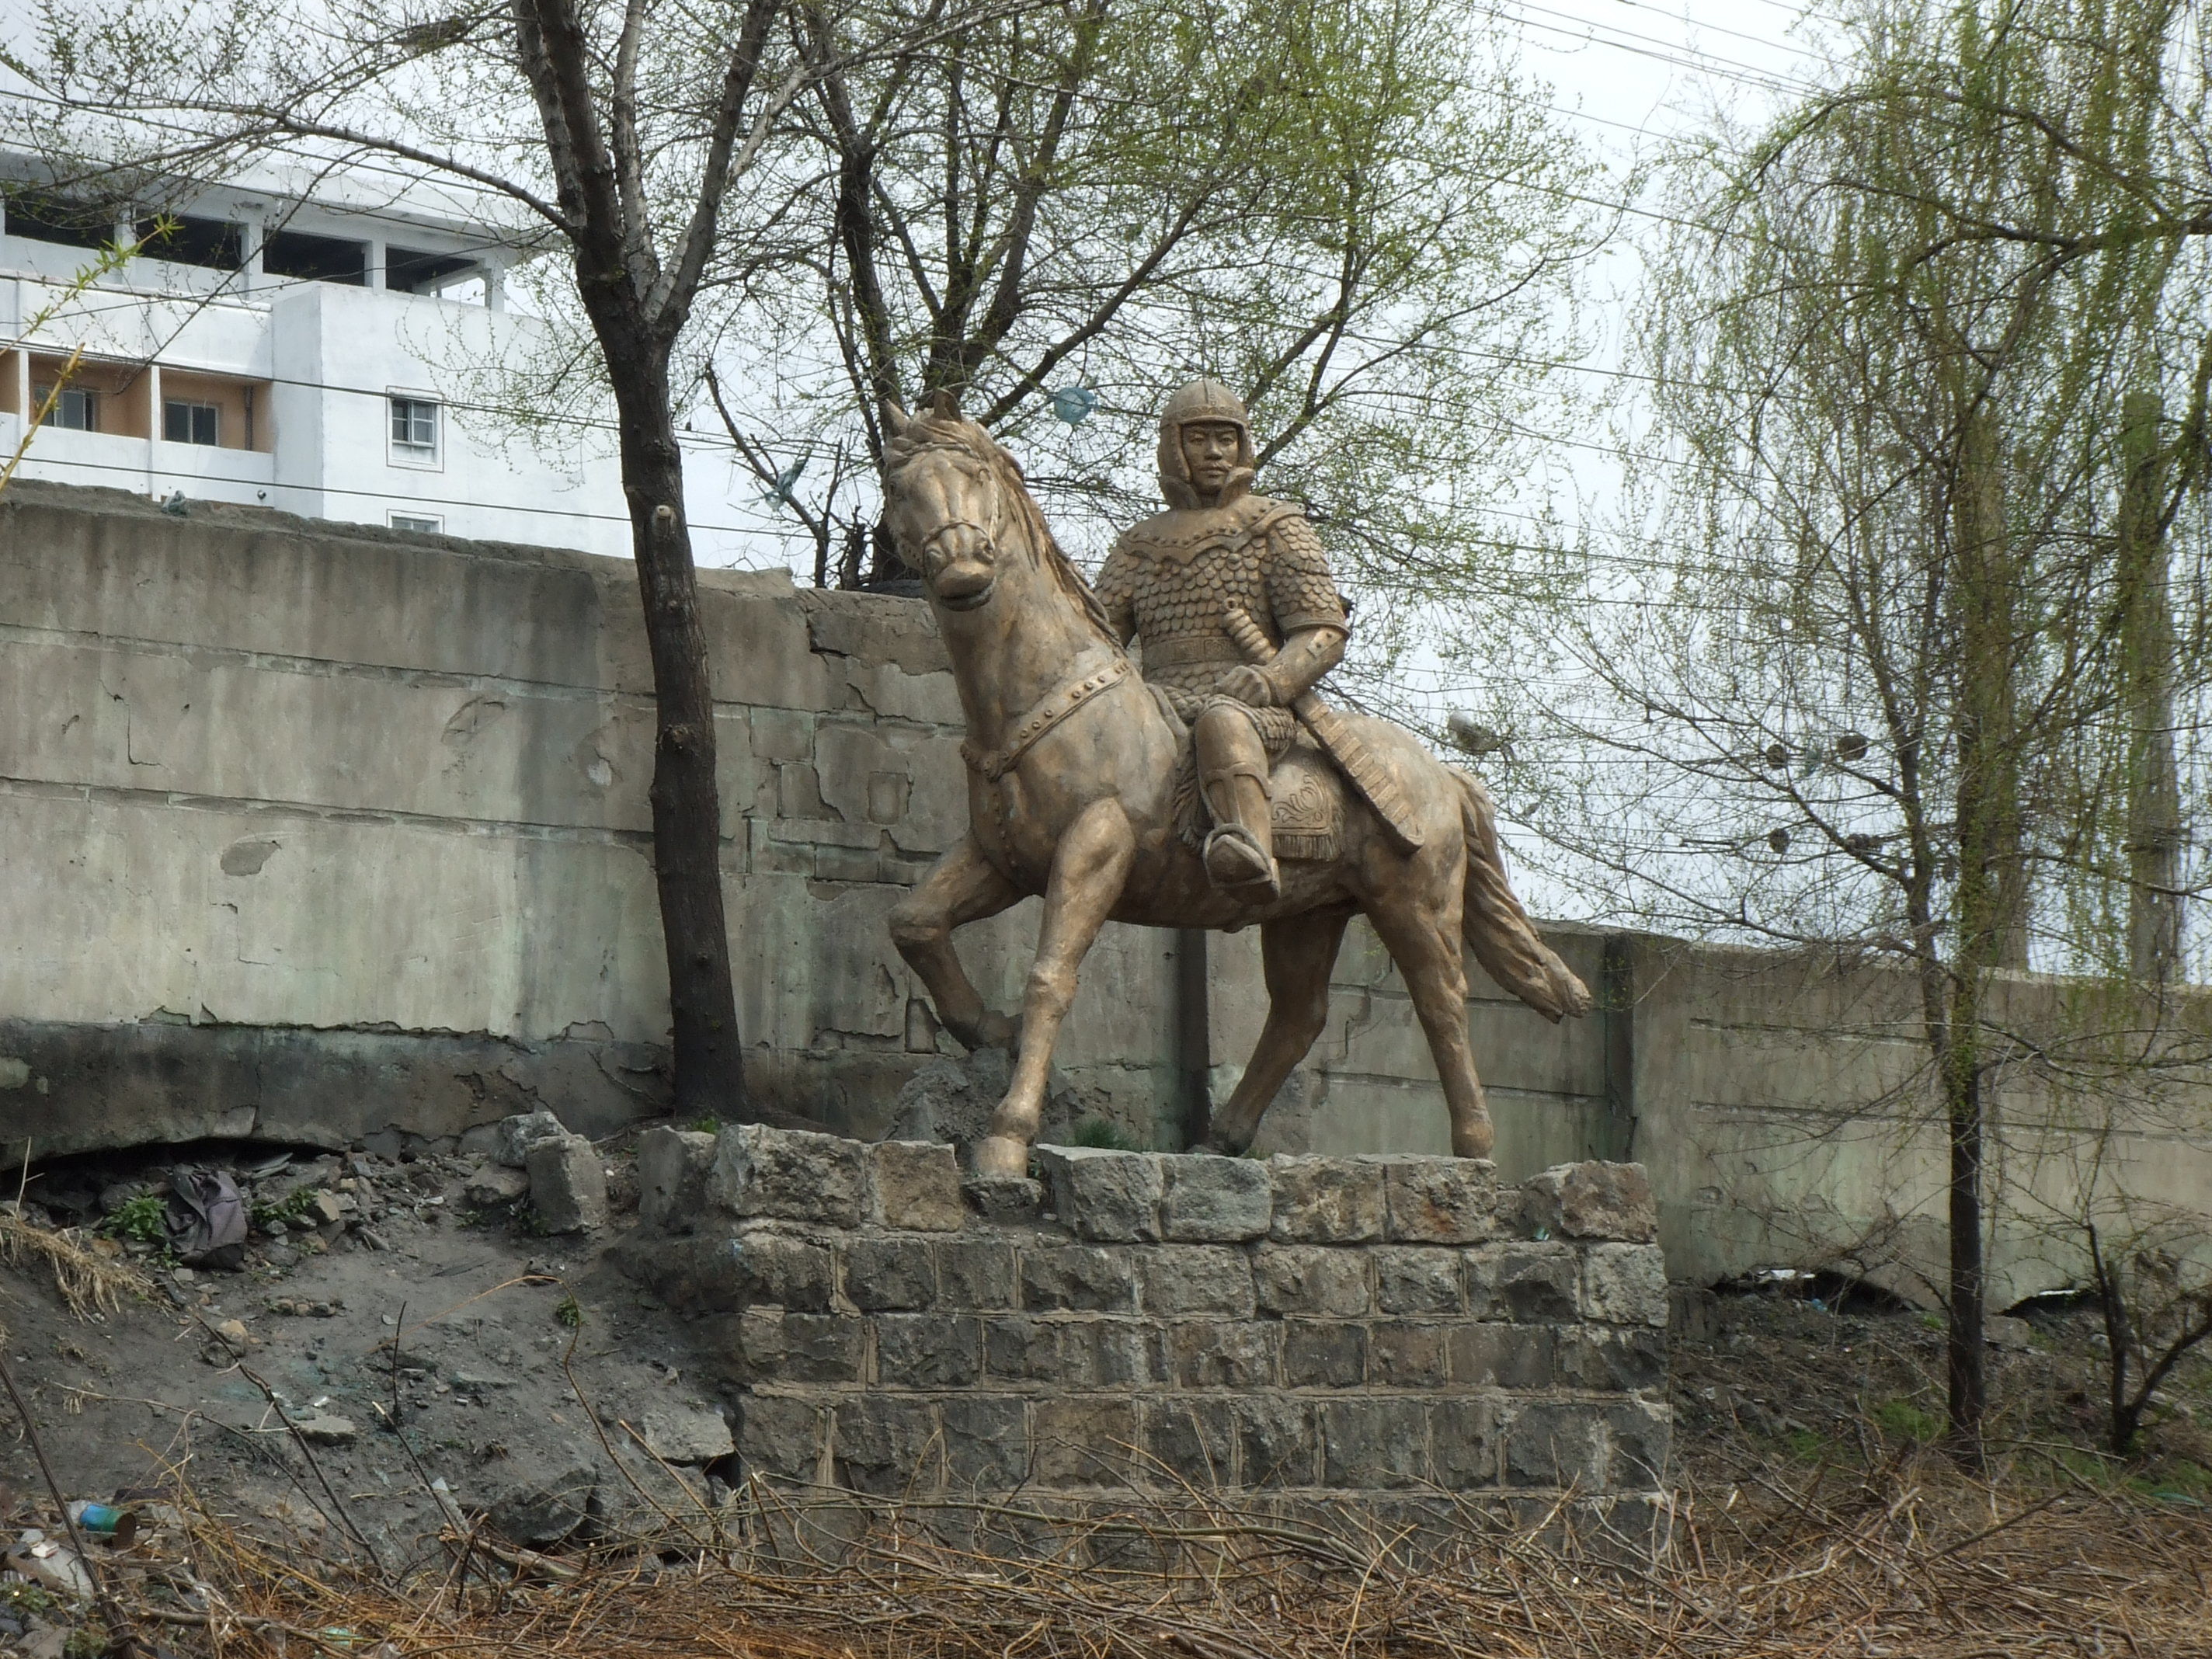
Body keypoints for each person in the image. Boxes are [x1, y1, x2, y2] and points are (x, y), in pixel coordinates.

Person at [1095, 379, 1348, 900]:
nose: (1213, 451)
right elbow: (1099, 640)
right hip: (1158, 704)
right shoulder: (1139, 543)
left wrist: (1272, 679)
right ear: (1174, 445)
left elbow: (1322, 630)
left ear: (1242, 445)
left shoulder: (1275, 525)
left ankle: (1248, 847)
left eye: (1225, 439)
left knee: (1221, 720)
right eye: (1199, 439)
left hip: (1251, 710)